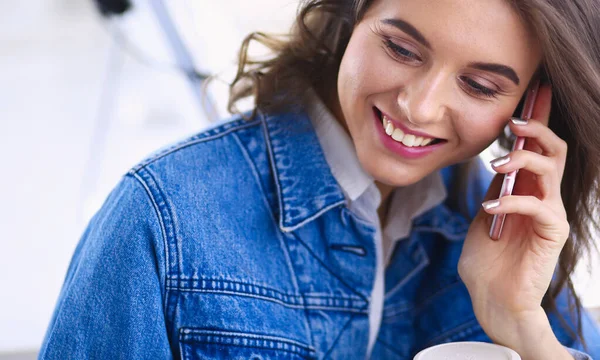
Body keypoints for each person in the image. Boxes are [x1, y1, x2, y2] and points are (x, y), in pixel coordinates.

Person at [39, 0, 600, 359]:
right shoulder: (163, 219)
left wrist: (521, 324)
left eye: (479, 86)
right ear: (349, 17)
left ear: (529, 107)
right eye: (401, 48)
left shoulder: (504, 223)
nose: (420, 107)